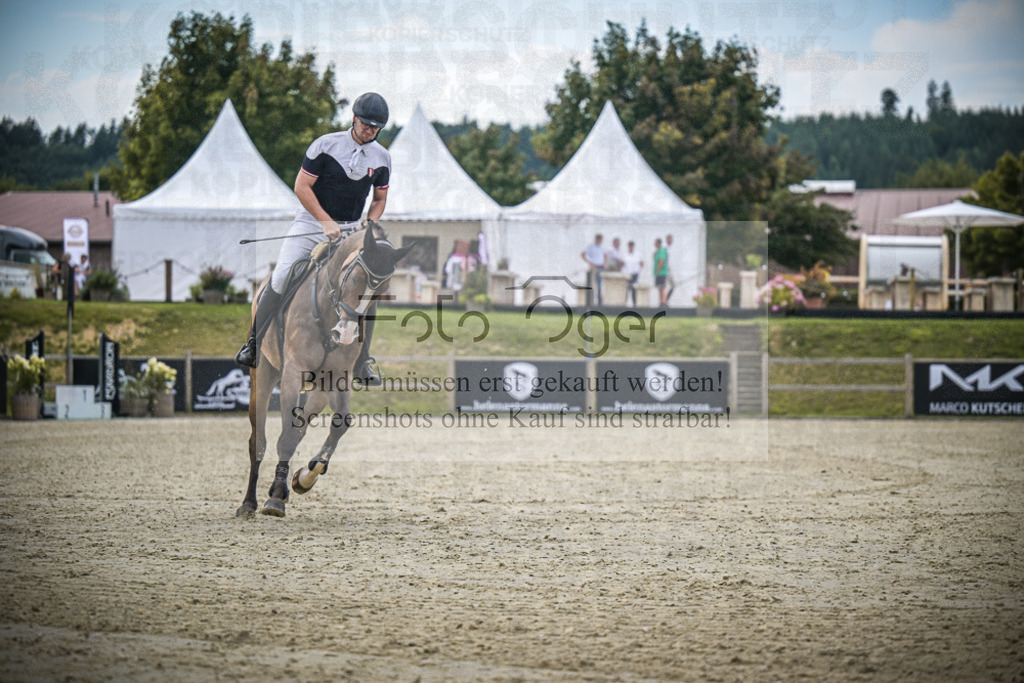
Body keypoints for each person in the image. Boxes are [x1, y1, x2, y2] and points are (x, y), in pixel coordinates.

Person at [235, 92, 392, 386]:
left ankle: (362, 362)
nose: (370, 130)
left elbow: (380, 198)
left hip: (350, 230)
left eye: (376, 127)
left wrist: (369, 225)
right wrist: (324, 221)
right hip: (311, 222)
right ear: (354, 119)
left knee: (365, 287)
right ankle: (253, 345)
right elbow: (302, 186)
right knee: (281, 276)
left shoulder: (382, 157)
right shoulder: (325, 145)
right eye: (366, 124)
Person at [580, 233, 606, 306]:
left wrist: (604, 263)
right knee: (594, 284)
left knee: (601, 284)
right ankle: (593, 302)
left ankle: (600, 302)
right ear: (597, 239)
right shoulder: (591, 246)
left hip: (601, 267)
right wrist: (589, 262)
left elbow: (605, 255)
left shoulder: (601, 247)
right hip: (594, 267)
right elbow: (582, 254)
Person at [621, 240, 643, 307]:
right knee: (626, 290)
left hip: (635, 274)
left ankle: (635, 305)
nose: (631, 247)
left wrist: (638, 270)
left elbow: (641, 263)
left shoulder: (638, 254)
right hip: (627, 274)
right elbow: (622, 264)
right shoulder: (625, 254)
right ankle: (624, 304)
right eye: (630, 246)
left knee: (634, 289)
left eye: (632, 246)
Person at [653, 238, 669, 306]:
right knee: (660, 288)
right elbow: (655, 260)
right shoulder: (658, 251)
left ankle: (664, 302)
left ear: (658, 243)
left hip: (661, 272)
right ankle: (661, 302)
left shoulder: (662, 250)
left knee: (662, 288)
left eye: (655, 243)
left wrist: (658, 269)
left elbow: (662, 261)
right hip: (658, 273)